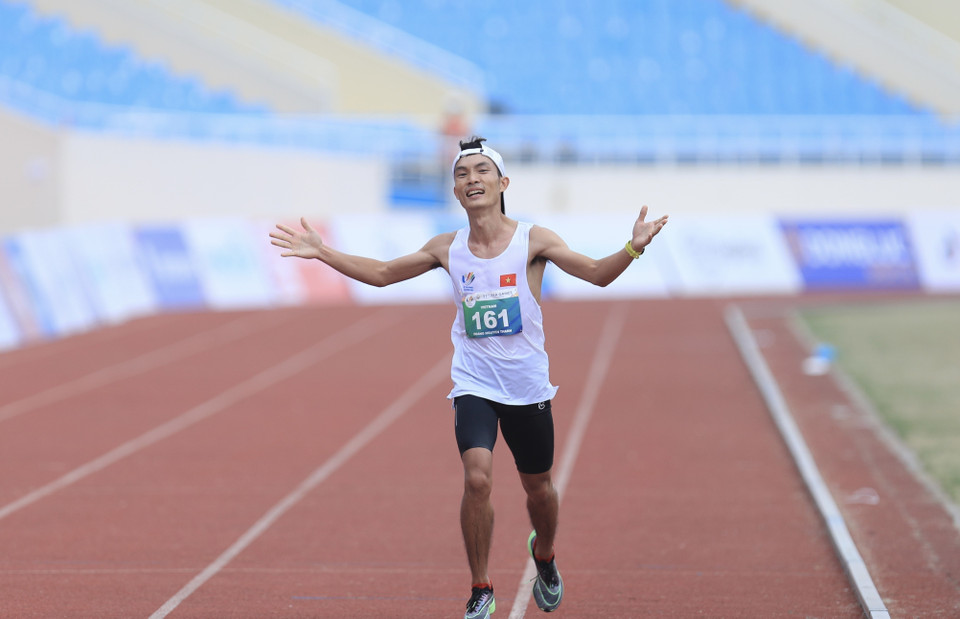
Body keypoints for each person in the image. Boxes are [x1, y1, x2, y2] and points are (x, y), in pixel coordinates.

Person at [270, 136, 668, 619]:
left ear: (503, 184)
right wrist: (322, 252)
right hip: (474, 384)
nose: (471, 179)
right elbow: (383, 273)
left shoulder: (534, 241)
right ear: (456, 191)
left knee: (539, 490)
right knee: (477, 479)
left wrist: (632, 247)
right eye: (462, 174)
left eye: (481, 171)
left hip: (526, 388)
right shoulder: (447, 248)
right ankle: (481, 587)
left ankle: (544, 554)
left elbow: (598, 273)